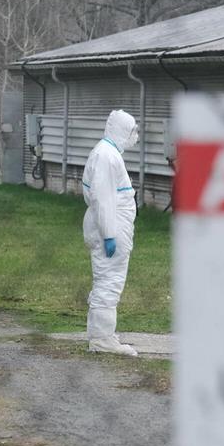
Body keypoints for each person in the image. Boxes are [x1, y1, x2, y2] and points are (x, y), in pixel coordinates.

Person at [82, 109, 140, 356]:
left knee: (108, 282)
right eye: (133, 130)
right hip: (111, 228)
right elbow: (103, 199)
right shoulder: (107, 156)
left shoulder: (108, 153)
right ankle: (102, 339)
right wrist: (109, 235)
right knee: (109, 282)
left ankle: (102, 334)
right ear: (122, 130)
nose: (136, 135)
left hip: (114, 226)